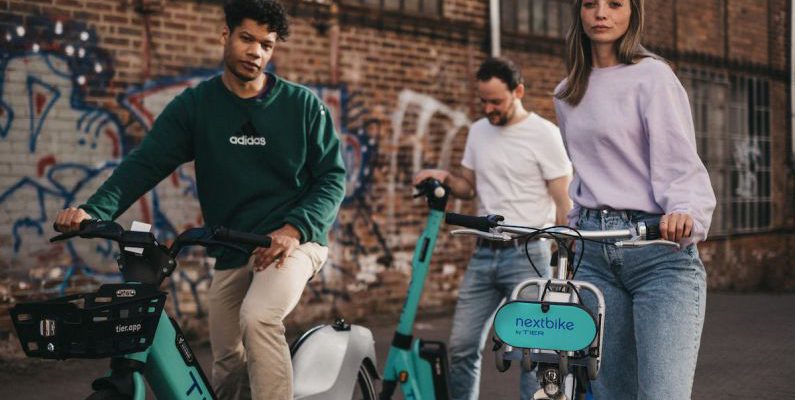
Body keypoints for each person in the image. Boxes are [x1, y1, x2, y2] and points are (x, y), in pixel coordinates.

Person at [53, 1, 346, 399]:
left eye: (267, 44)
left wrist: (294, 229)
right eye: (247, 39)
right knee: (227, 357)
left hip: (292, 242)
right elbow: (146, 164)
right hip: (231, 247)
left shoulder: (302, 106)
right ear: (225, 35)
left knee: (258, 318)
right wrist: (93, 211)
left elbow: (332, 178)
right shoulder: (196, 106)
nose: (256, 52)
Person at [552, 0, 716, 399]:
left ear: (633, 13)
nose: (601, 14)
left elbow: (679, 158)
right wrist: (571, 226)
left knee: (662, 394)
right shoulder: (567, 92)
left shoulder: (652, 77)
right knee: (609, 394)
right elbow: (586, 168)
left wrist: (685, 211)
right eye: (590, 4)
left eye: (614, 4)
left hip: (657, 249)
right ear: (579, 13)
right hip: (593, 254)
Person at [415, 57, 572, 400]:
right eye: (483, 101)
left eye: (496, 101)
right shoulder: (478, 131)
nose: (489, 108)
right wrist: (442, 178)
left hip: (529, 255)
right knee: (462, 345)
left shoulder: (545, 134)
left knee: (532, 353)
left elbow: (564, 201)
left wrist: (565, 258)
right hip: (484, 255)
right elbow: (468, 186)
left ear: (518, 91)